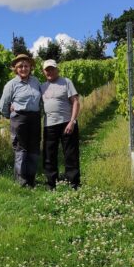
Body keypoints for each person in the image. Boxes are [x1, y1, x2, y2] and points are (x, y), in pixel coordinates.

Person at [0, 53, 42, 187]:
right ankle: (21, 181)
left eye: (26, 66)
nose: (24, 69)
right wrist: (11, 116)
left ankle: (31, 178)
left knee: (34, 148)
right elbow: (3, 104)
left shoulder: (36, 81)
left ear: (30, 67)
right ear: (16, 69)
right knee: (21, 149)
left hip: (34, 117)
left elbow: (41, 98)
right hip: (19, 118)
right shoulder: (11, 84)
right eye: (21, 66)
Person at [40, 59, 80, 190]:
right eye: (47, 69)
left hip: (66, 123)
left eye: (52, 69)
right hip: (49, 125)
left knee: (70, 154)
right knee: (49, 155)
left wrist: (72, 121)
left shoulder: (66, 82)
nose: (49, 71)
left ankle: (73, 183)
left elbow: (75, 102)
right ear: (43, 72)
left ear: (57, 69)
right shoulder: (42, 87)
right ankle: (51, 183)